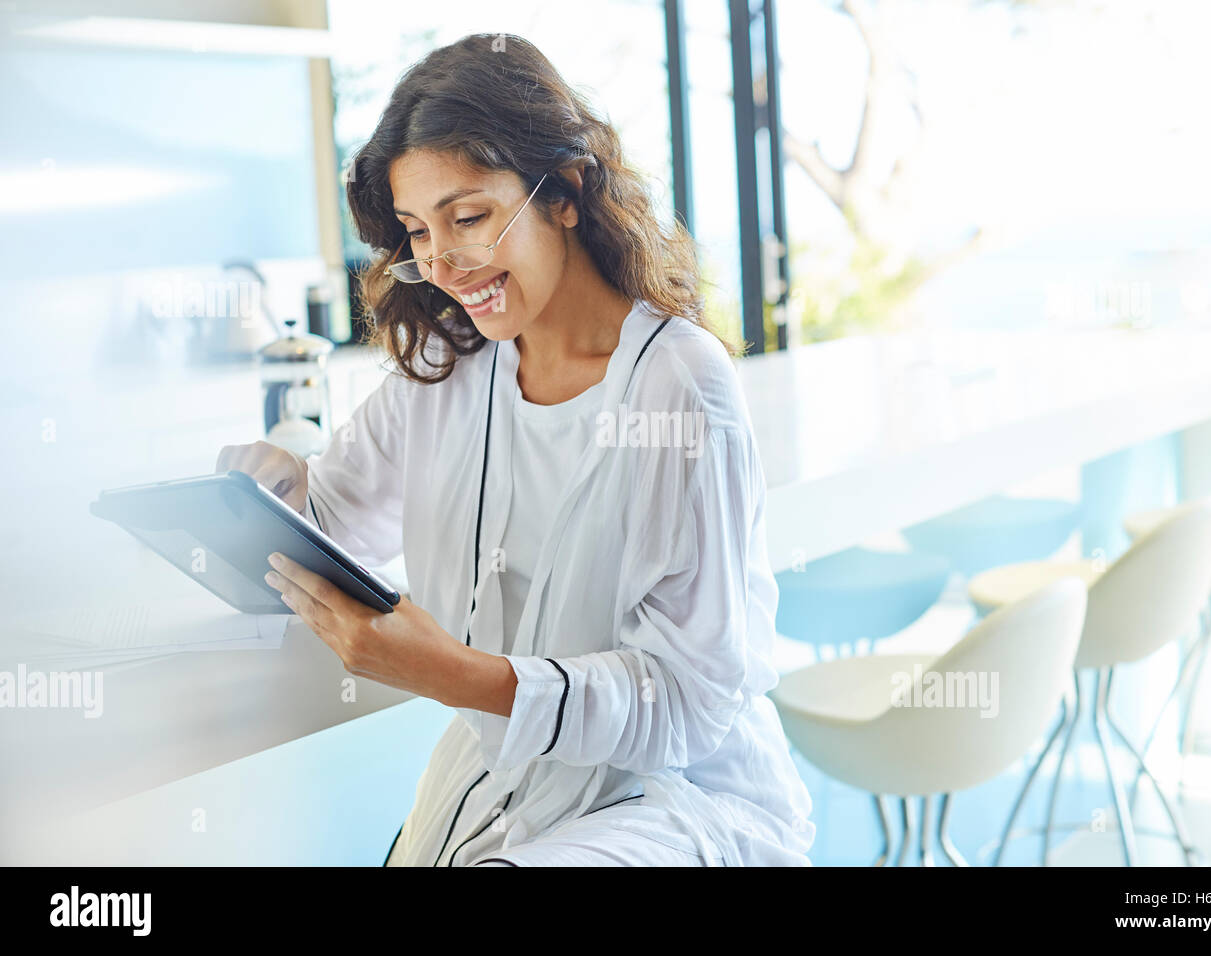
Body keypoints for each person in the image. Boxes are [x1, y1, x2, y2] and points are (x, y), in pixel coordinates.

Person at [215, 33, 814, 866]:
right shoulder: (452, 363)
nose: (443, 262)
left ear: (564, 191)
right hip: (511, 784)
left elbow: (687, 703)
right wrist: (272, 493)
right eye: (418, 232)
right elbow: (335, 522)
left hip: (678, 796)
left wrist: (452, 672)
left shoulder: (678, 386)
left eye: (469, 218)